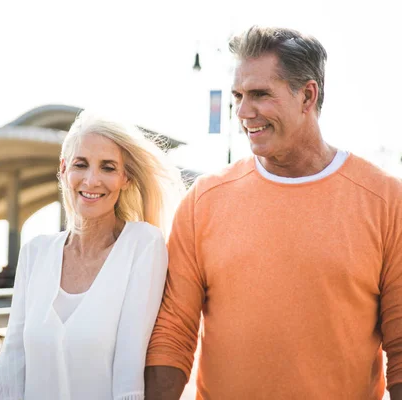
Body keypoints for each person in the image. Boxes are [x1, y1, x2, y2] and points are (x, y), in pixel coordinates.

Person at [145, 26, 402, 400]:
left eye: (260, 94)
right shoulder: (204, 200)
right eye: (238, 95)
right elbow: (173, 334)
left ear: (307, 96)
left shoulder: (385, 200)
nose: (244, 112)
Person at [0, 110, 185, 400]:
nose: (92, 181)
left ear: (126, 178)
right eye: (81, 165)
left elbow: (128, 372)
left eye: (107, 167)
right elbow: (11, 364)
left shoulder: (142, 245)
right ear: (64, 169)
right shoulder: (35, 253)